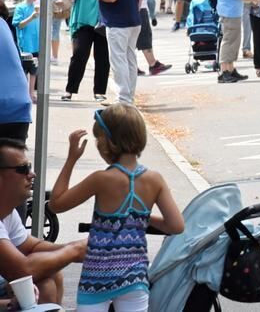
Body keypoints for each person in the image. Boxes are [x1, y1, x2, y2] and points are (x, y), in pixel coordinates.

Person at [49, 104, 184, 309]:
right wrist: (139, 218)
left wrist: (71, 159)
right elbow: (176, 226)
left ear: (107, 143)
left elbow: (56, 204)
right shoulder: (154, 180)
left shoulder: (101, 179)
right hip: (134, 278)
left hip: (96, 278)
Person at [0, 137, 88, 307]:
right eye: (23, 169)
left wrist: (86, 247)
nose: (32, 174)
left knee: (51, 275)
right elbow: (25, 269)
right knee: (42, 280)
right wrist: (75, 251)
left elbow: (32, 247)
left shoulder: (7, 212)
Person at [89, 0, 144, 105]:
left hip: (118, 22)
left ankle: (123, 98)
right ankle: (129, 96)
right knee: (130, 59)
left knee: (119, 60)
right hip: (133, 20)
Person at [62, 0, 110, 102]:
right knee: (79, 55)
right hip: (82, 20)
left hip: (102, 20)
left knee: (102, 57)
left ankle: (99, 91)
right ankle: (70, 89)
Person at [11, 0, 40, 103]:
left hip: (36, 44)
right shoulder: (20, 7)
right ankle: (22, 93)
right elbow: (18, 24)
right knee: (23, 71)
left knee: (34, 71)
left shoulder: (37, 8)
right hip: (24, 44)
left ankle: (31, 93)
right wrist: (31, 17)